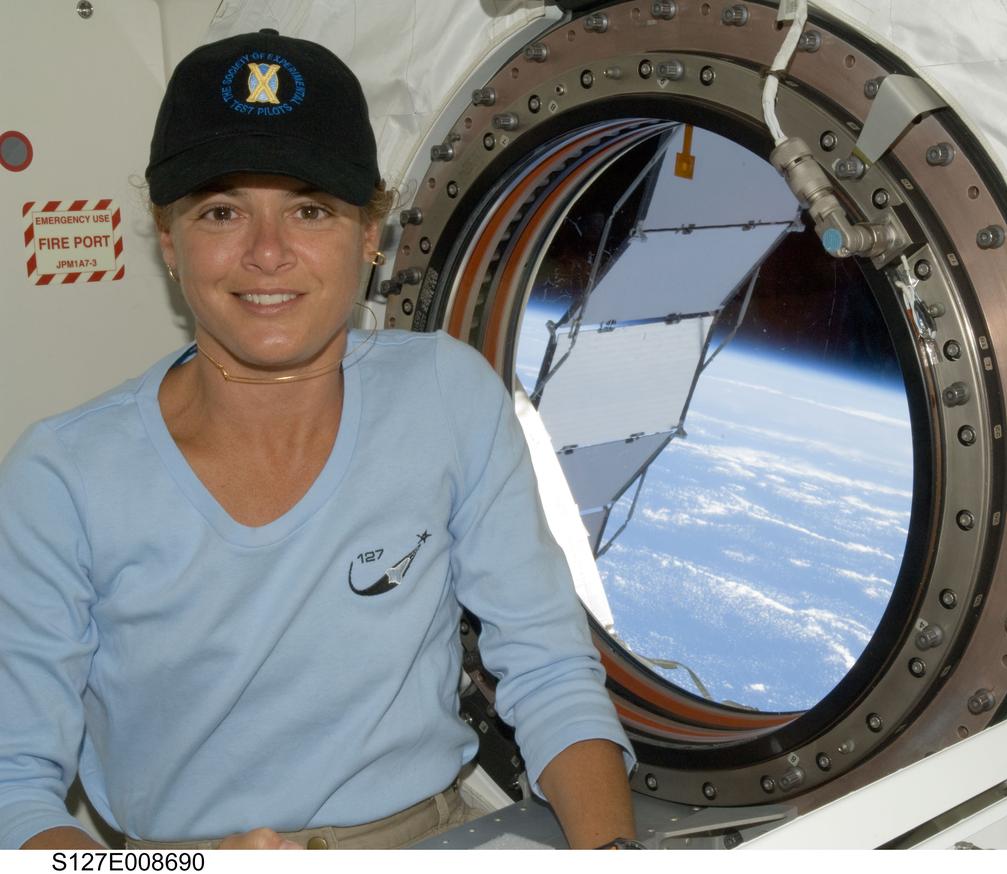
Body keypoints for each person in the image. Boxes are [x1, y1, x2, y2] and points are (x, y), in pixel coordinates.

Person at [0, 30, 636, 850]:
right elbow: (15, 791)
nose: (267, 253)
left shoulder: (447, 395)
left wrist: (614, 858)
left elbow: (551, 671)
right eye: (222, 211)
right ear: (169, 241)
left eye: (310, 209)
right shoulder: (64, 477)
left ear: (370, 236)